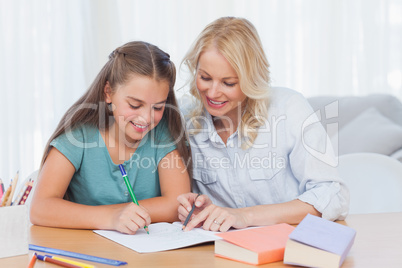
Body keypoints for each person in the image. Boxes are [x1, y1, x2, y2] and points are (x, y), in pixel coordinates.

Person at [177, 17, 349, 232]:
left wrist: (245, 216)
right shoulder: (186, 119)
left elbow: (332, 195)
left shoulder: (288, 108)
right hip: (224, 250)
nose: (212, 93)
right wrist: (204, 210)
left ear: (251, 78)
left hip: (290, 244)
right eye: (205, 77)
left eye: (228, 83)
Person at [30, 41, 191, 234]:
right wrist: (112, 217)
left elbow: (177, 203)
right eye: (134, 105)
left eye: (157, 107)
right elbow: (40, 208)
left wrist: (127, 214)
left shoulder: (162, 135)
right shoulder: (78, 137)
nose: (146, 118)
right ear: (108, 92)